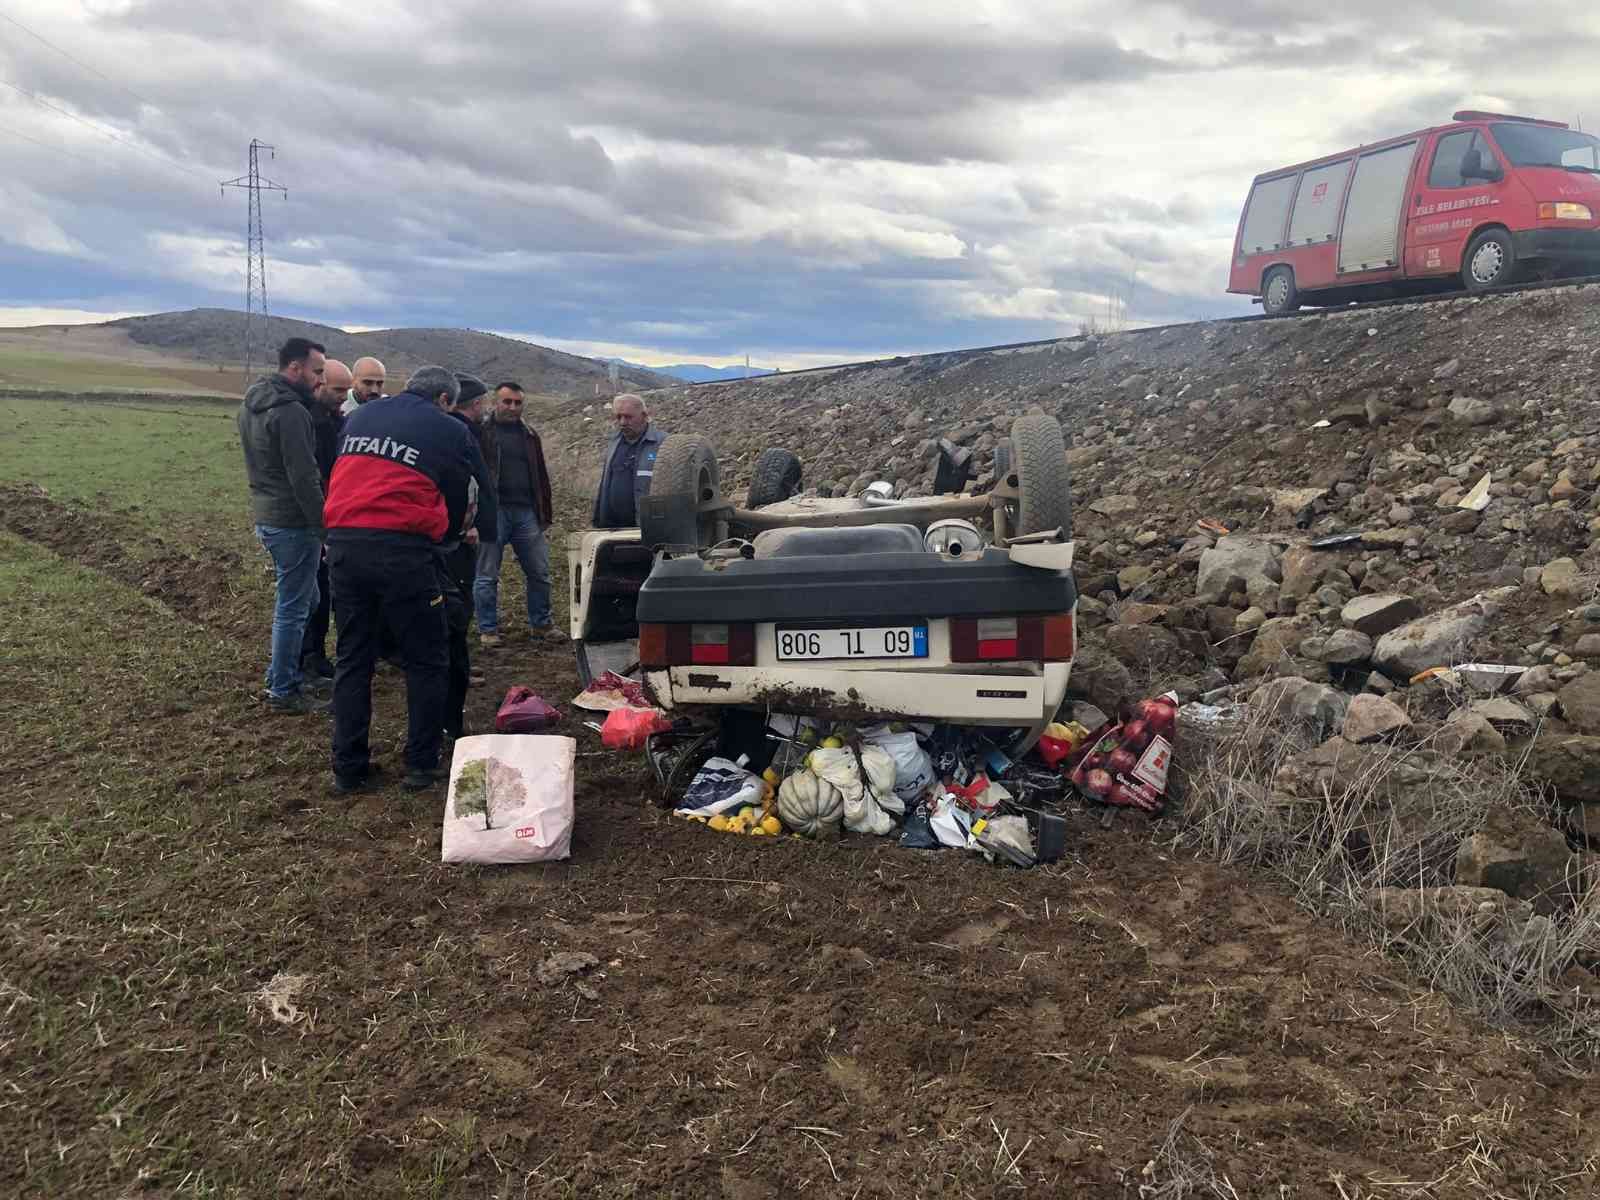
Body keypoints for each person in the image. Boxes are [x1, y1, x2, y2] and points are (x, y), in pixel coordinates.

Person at [323, 365, 497, 792]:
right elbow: (469, 490)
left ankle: (348, 768)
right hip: (402, 551)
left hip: (343, 546)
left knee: (352, 658)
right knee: (427, 657)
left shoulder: (360, 416)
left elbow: (340, 471)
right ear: (444, 400)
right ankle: (421, 764)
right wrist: (457, 536)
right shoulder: (450, 428)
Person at [237, 337, 328, 714]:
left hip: (268, 515)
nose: (320, 379)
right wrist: (326, 527)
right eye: (317, 371)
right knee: (293, 606)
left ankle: (285, 669)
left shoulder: (253, 402)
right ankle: (283, 689)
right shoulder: (291, 412)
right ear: (296, 368)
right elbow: (304, 477)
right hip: (292, 522)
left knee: (309, 599)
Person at [474, 381, 559, 645]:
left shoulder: (530, 435)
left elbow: (541, 477)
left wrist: (544, 513)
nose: (512, 407)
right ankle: (488, 630)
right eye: (507, 402)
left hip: (526, 513)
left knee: (540, 572)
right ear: (494, 402)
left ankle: (541, 625)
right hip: (493, 512)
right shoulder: (479, 433)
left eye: (517, 403)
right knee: (487, 575)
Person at [442, 373, 494, 736]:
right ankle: (454, 667)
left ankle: (459, 661)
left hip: (450, 533)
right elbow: (468, 482)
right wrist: (473, 523)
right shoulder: (461, 432)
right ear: (473, 404)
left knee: (458, 603)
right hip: (456, 536)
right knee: (457, 605)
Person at [299, 358, 352, 681]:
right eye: (338, 390)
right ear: (319, 386)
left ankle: (315, 654)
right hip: (320, 518)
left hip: (336, 514)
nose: (343, 397)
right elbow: (313, 476)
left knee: (324, 591)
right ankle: (308, 657)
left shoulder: (335, 419)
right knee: (312, 592)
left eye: (346, 390)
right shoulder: (313, 424)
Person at [592, 392, 665, 529]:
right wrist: (598, 520)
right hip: (612, 529)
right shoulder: (614, 442)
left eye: (628, 417)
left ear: (644, 416)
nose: (623, 422)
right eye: (618, 417)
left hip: (647, 529)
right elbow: (605, 483)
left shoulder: (663, 444)